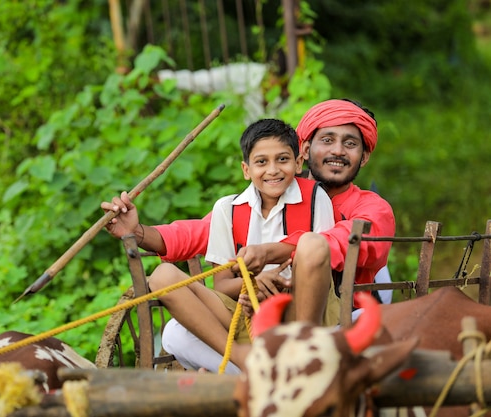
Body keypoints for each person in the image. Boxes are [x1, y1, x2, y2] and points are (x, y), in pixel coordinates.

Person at [102, 99, 396, 372]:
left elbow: (337, 242)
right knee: (175, 334)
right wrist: (138, 232)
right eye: (327, 140)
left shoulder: (370, 207)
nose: (337, 151)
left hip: (336, 317)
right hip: (251, 314)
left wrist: (270, 253)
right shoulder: (253, 198)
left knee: (369, 316)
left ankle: (289, 367)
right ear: (305, 151)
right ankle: (259, 374)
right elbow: (198, 232)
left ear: (364, 156)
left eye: (350, 144)